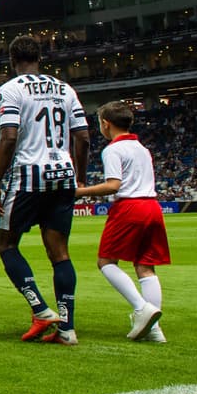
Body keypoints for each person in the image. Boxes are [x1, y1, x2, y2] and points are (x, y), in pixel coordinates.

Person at [0, 35, 89, 345]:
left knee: (5, 244)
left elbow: (9, 136)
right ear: (40, 59)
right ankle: (67, 329)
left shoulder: (11, 89)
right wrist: (80, 178)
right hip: (64, 175)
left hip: (30, 175)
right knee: (59, 253)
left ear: (12, 60)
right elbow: (83, 137)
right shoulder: (65, 88)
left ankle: (40, 308)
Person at [75, 100, 167, 342]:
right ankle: (154, 330)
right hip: (152, 207)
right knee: (145, 266)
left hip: (129, 207)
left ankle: (141, 308)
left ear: (106, 124)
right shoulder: (142, 148)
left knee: (106, 261)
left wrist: (78, 192)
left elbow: (113, 185)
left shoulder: (113, 150)